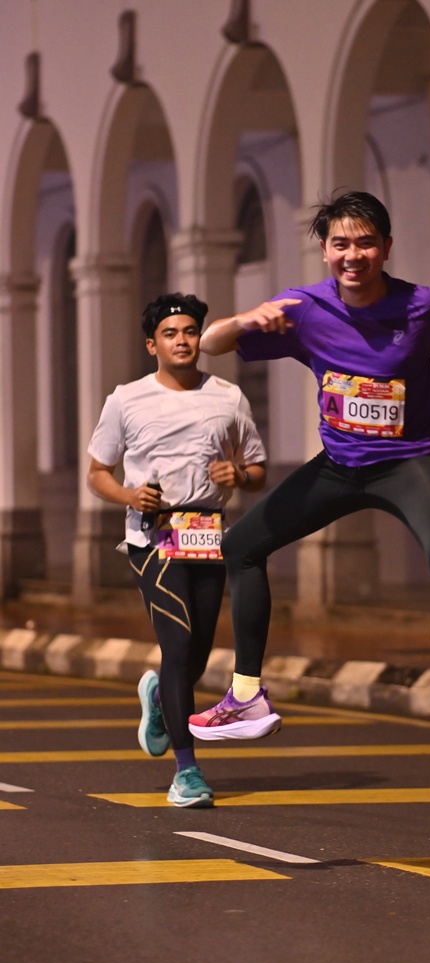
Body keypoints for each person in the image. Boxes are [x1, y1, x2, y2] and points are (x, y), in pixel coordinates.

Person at [187, 191, 430, 757]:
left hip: (409, 461)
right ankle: (246, 696)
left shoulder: (421, 307)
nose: (354, 255)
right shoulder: (304, 309)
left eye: (366, 243)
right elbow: (210, 343)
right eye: (341, 244)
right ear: (325, 250)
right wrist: (246, 318)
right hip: (340, 466)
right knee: (241, 546)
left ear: (386, 247)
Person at [86, 292, 269, 806]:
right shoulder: (126, 399)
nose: (182, 341)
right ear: (153, 345)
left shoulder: (228, 397)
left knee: (197, 654)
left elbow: (257, 469)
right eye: (170, 334)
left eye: (190, 332)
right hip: (154, 535)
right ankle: (186, 771)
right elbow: (97, 472)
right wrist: (128, 495)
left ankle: (159, 696)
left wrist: (239, 475)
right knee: (179, 643)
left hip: (209, 534)